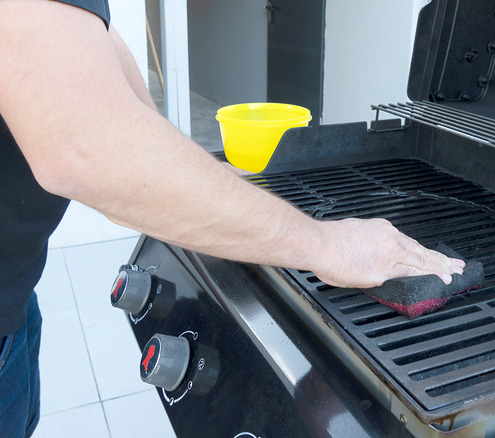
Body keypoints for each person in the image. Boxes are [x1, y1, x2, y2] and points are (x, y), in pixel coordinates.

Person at [0, 1, 464, 436]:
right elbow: (86, 147)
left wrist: (188, 174)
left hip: (13, 298)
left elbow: (87, 35)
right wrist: (333, 246)